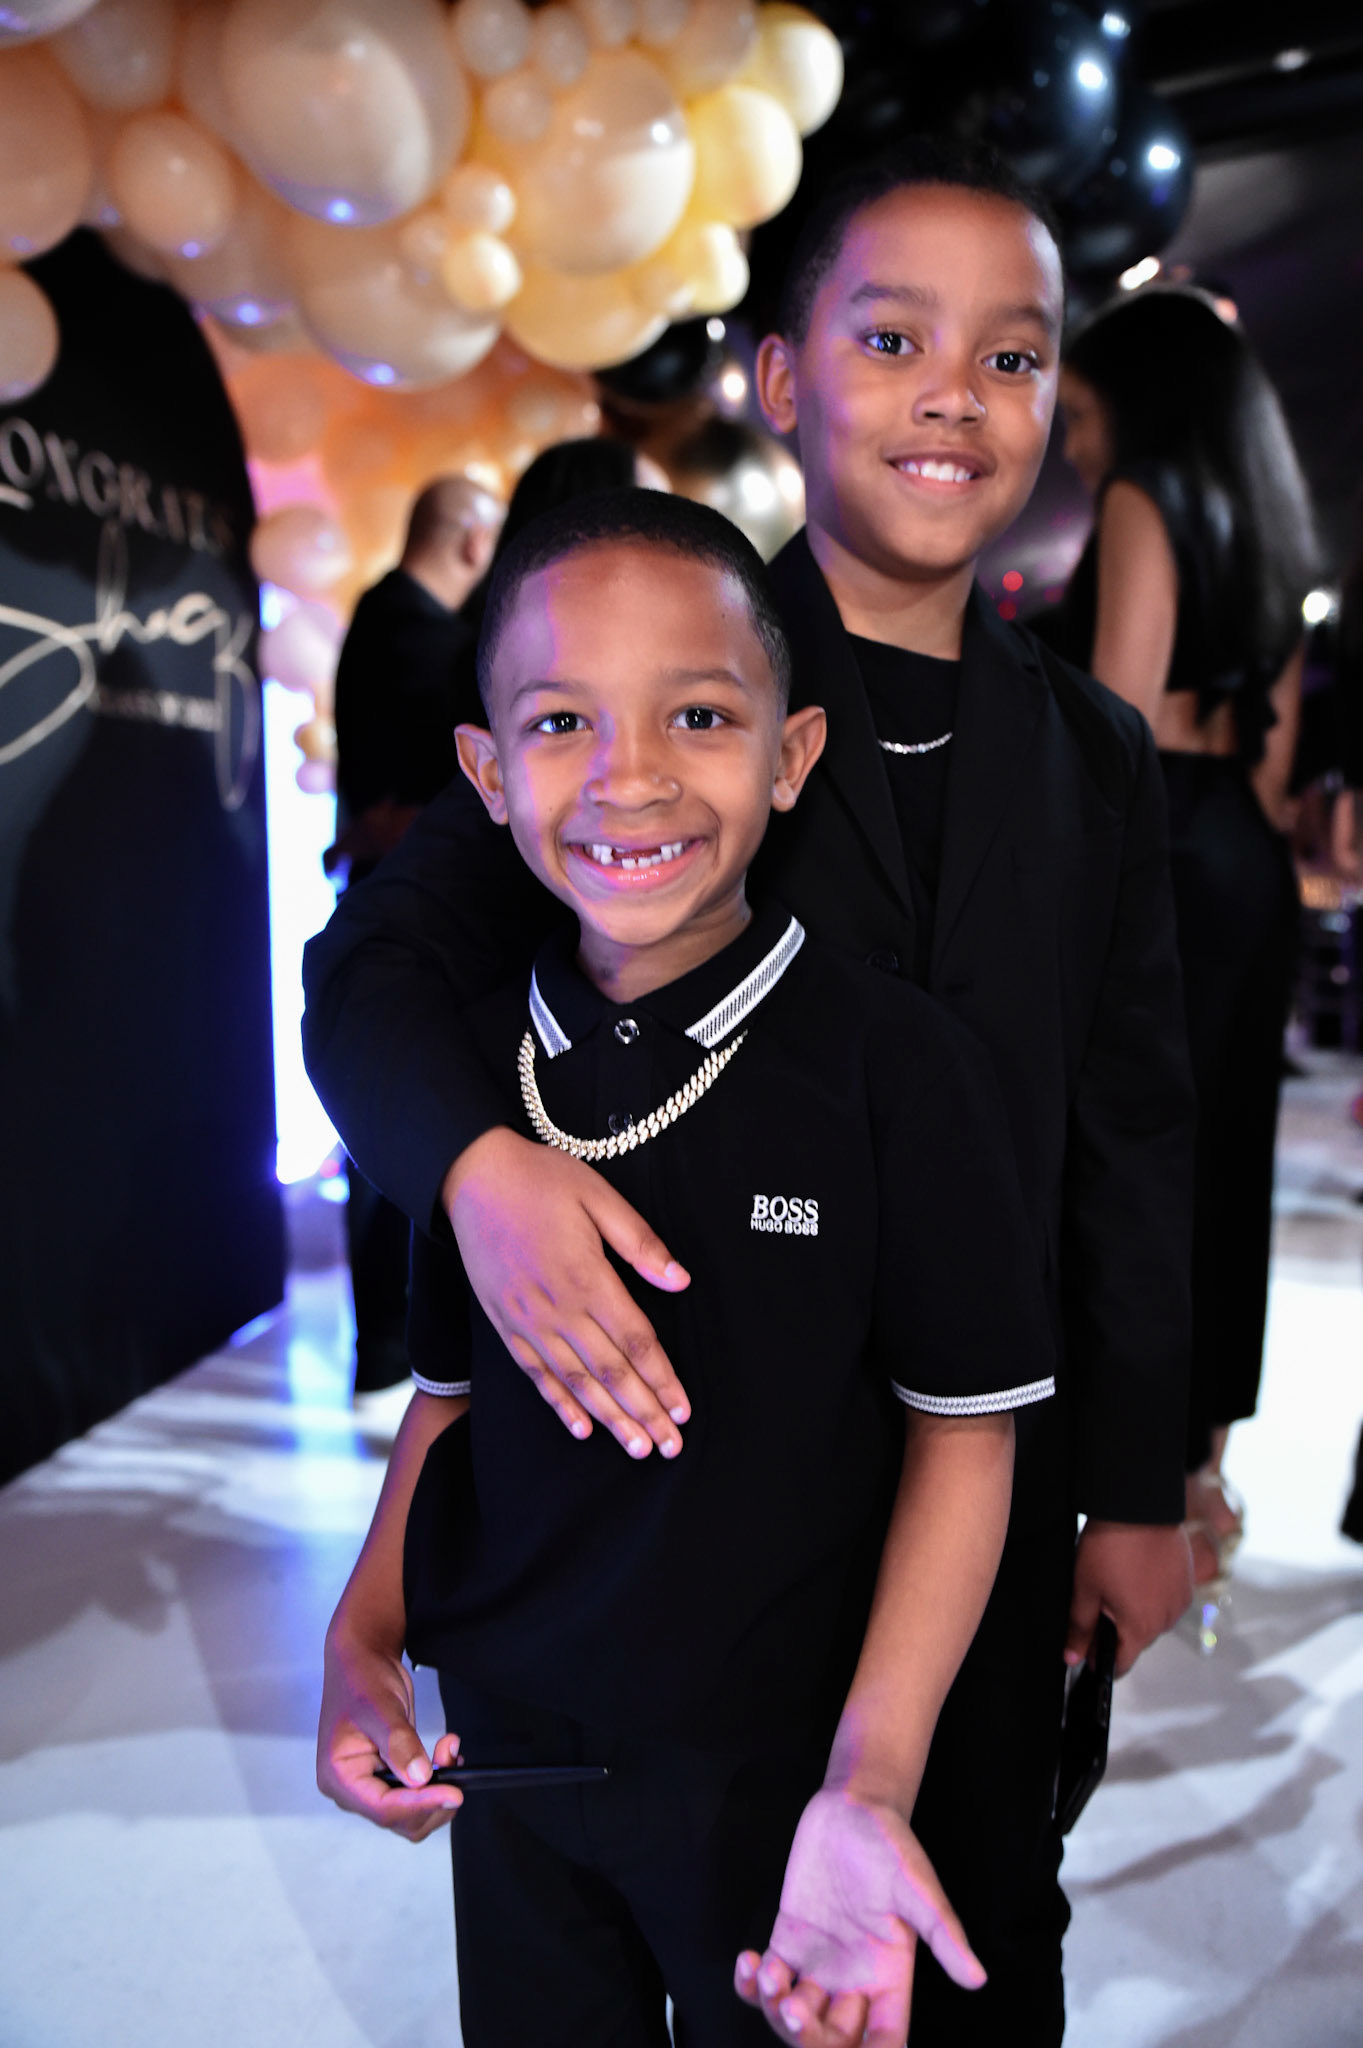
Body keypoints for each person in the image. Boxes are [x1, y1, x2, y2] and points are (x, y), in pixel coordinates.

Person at [303, 138, 1197, 2043]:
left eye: (1011, 356)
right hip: (688, 1520)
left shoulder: (1093, 754)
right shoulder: (647, 659)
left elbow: (1127, 1126)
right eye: (890, 339)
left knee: (956, 1943)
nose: (951, 396)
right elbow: (370, 974)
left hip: (971, 1474)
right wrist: (474, 1168)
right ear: (781, 380)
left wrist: (1141, 1471)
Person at [318, 487, 1057, 2046]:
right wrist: (359, 1635)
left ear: (790, 755)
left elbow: (964, 1434)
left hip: (777, 1783)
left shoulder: (897, 1068)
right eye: (561, 722)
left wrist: (870, 1781)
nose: (629, 775)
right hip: (513, 1761)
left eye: (699, 715)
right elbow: (448, 1402)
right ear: (487, 775)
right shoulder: (469, 1080)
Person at [1046, 287, 1316, 1598]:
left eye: (1080, 411)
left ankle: (1135, 1472)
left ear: (1133, 399)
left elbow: (1117, 722)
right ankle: (1200, 1464)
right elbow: (1272, 767)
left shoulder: (1139, 501)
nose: (1071, 441)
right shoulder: (1271, 521)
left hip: (1158, 846)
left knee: (1140, 1159)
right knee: (1226, 1161)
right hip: (1245, 859)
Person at [330, 474, 505, 1396]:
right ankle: (396, 1346)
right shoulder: (417, 634)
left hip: (392, 903)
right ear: (474, 542)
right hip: (412, 917)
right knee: (400, 1124)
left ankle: (394, 1346)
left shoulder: (385, 618)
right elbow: (406, 802)